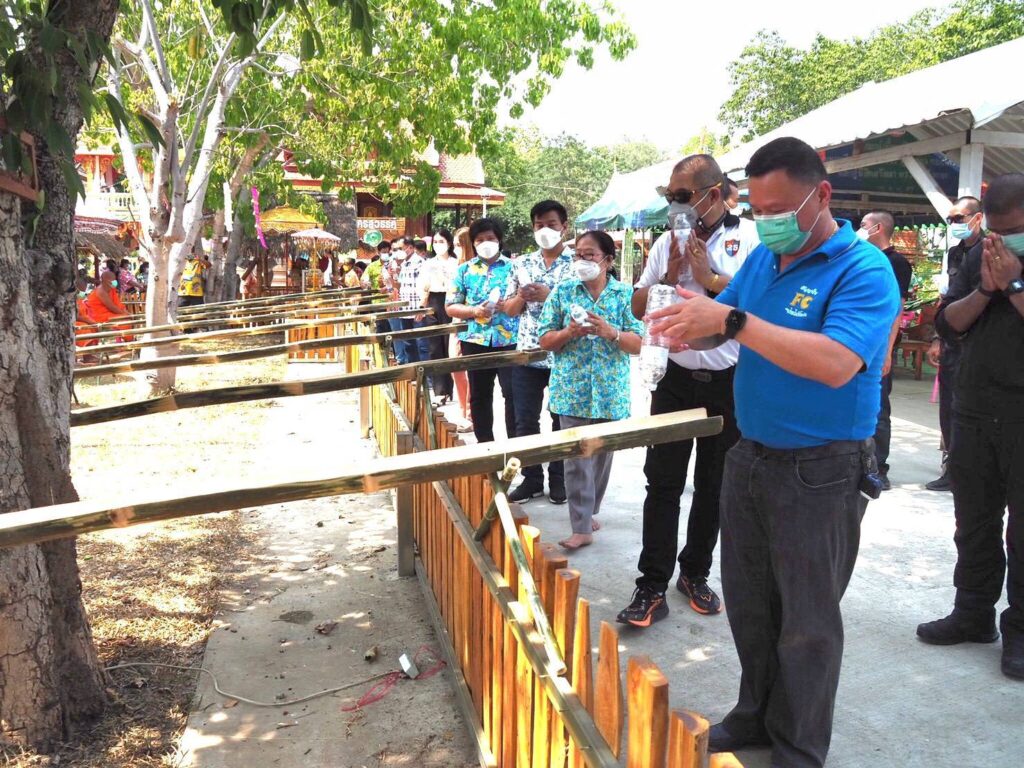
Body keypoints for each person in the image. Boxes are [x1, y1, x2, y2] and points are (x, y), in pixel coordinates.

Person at [647, 137, 899, 767]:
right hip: (751, 453)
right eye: (758, 210)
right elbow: (726, 314)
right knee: (752, 604)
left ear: (822, 195)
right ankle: (755, 713)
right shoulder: (765, 259)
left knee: (807, 621)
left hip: (822, 467)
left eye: (780, 209)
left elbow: (836, 363)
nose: (768, 222)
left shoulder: (863, 270)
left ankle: (799, 746)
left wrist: (731, 323)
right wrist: (689, 321)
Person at [618, 155, 758, 628]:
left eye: (681, 196)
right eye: (670, 197)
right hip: (675, 380)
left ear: (713, 194)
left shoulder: (750, 240)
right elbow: (637, 305)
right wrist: (669, 272)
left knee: (715, 486)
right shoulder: (666, 242)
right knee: (662, 483)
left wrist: (709, 276)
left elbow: (756, 306)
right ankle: (651, 584)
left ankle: (695, 573)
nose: (675, 205)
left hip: (728, 381)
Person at [916, 173, 1024, 681]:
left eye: (1013, 231)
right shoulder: (980, 252)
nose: (1002, 241)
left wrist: (1015, 283)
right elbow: (948, 322)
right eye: (996, 230)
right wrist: (986, 287)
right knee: (974, 520)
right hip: (975, 407)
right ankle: (973, 612)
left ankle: (1020, 630)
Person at [538, 230, 643, 549]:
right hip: (572, 389)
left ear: (608, 260)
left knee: (600, 458)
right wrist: (568, 332)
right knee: (576, 459)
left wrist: (612, 333)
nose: (582, 260)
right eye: (578, 255)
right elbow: (544, 339)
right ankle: (581, 526)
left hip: (610, 392)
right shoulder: (563, 291)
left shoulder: (625, 295)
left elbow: (639, 343)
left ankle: (588, 510)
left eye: (589, 255)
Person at [501, 200, 575, 505]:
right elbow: (508, 309)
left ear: (564, 227)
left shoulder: (577, 262)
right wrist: (521, 296)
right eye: (539, 225)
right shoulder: (522, 264)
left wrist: (550, 296)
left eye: (551, 224)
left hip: (564, 353)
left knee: (561, 419)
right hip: (528, 353)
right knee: (525, 421)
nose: (545, 230)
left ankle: (560, 479)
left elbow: (584, 307)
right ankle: (531, 479)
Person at [925, 196, 984, 492]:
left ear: (977, 218)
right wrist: (938, 337)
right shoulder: (955, 253)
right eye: (950, 220)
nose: (953, 224)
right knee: (949, 408)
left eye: (959, 218)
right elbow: (948, 298)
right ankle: (952, 467)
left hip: (981, 343)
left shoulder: (991, 250)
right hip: (953, 342)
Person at [445, 218, 518, 443]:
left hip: (510, 340)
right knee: (479, 395)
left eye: (490, 238)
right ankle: (485, 445)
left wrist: (509, 305)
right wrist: (474, 311)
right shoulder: (464, 270)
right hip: (475, 340)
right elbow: (450, 306)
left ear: (499, 240)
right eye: (480, 240)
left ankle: (516, 445)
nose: (486, 243)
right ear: (473, 243)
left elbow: (525, 301)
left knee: (513, 393)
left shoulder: (515, 268)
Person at [858, 210, 913, 490]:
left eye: (863, 225)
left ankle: (879, 467)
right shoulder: (858, 257)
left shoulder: (896, 263)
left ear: (878, 228)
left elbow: (896, 310)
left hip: (879, 346)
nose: (859, 229)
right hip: (855, 342)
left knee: (878, 409)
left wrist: (888, 350)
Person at [417, 229, 459, 402]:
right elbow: (423, 286)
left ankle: (451, 387)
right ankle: (440, 390)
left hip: (453, 302)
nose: (438, 245)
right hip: (434, 302)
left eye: (441, 241)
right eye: (435, 242)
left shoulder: (457, 263)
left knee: (450, 346)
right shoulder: (428, 264)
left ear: (449, 243)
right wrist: (422, 307)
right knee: (434, 347)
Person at [450, 227, 474, 431]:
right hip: (456, 323)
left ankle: (470, 413)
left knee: (471, 372)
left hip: (473, 326)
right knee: (456, 368)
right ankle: (462, 410)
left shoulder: (474, 269)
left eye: (459, 245)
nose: (455, 248)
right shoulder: (457, 268)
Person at [85, 270, 135, 340]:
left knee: (128, 318)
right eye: (113, 280)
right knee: (125, 321)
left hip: (110, 314)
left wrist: (126, 312)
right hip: (100, 316)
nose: (115, 282)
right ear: (106, 281)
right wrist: (125, 314)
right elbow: (113, 307)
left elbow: (118, 304)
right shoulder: (101, 291)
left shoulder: (111, 289)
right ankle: (130, 341)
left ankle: (130, 340)